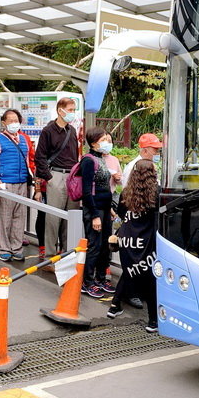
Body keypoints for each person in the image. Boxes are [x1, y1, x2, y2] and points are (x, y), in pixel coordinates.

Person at [108, 159, 160, 332]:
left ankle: (114, 306)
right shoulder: (156, 194)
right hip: (146, 242)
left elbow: (122, 216)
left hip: (127, 241)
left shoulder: (126, 194)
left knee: (130, 271)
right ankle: (153, 321)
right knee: (151, 280)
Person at [34, 97, 80, 261]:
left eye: (74, 109)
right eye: (70, 109)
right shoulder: (48, 131)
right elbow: (40, 157)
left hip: (72, 175)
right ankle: (49, 256)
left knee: (71, 216)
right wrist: (50, 178)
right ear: (60, 110)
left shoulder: (72, 130)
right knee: (53, 218)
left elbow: (75, 154)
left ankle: (68, 254)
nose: (72, 113)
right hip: (56, 174)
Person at [0, 108, 35, 262]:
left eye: (17, 120)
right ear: (4, 122)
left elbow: (27, 161)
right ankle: (4, 248)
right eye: (11, 120)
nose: (14, 123)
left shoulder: (23, 139)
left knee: (19, 217)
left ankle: (17, 248)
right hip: (5, 182)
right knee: (4, 217)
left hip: (22, 182)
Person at [80, 127, 116, 298]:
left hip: (105, 209)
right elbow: (87, 191)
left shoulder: (101, 158)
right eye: (104, 140)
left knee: (105, 246)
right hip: (94, 210)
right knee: (94, 246)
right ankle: (87, 282)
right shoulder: (88, 160)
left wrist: (109, 208)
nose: (108, 143)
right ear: (94, 142)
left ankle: (101, 279)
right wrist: (94, 215)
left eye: (109, 140)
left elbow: (103, 188)